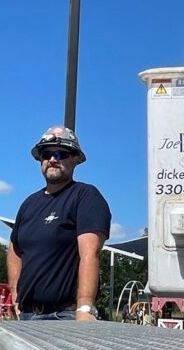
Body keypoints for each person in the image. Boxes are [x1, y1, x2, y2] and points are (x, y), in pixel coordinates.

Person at [7, 126, 111, 321]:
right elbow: (14, 249)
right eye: (47, 154)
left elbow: (90, 254)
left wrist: (85, 307)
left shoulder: (85, 196)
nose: (52, 159)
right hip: (28, 314)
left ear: (75, 159)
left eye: (61, 153)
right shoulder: (29, 204)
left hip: (64, 316)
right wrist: (14, 295)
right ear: (40, 160)